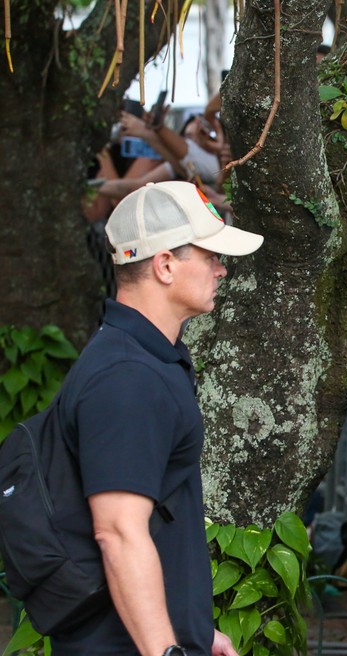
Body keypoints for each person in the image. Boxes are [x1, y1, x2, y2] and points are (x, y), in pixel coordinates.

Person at [50, 181, 263, 655]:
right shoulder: (128, 377)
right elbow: (119, 531)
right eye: (210, 256)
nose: (221, 270)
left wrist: (193, 630)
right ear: (165, 264)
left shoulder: (146, 360)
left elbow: (159, 516)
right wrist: (164, 649)